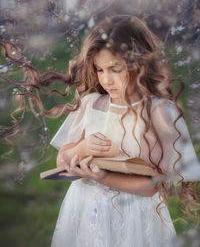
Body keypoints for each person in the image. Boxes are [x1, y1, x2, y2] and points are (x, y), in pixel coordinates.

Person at [49, 15, 200, 247]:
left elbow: (153, 185)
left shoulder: (157, 113)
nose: (106, 79)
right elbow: (62, 158)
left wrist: (104, 176)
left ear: (139, 65)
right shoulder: (92, 104)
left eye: (115, 69)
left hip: (132, 217)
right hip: (87, 211)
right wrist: (80, 148)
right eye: (99, 70)